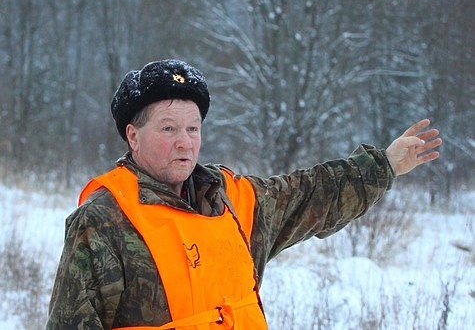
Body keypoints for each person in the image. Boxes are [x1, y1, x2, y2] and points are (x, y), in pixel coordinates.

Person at [46, 59, 442, 329]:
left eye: (193, 129)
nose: (185, 143)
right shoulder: (103, 221)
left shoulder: (233, 201)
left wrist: (385, 165)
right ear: (133, 136)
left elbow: (311, 194)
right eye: (168, 129)